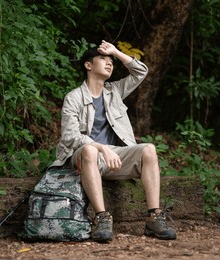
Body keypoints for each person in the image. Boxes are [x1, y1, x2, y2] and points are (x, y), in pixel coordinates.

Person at [51, 40, 176, 242]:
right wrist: (101, 147)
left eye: (111, 61)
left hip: (115, 158)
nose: (109, 63)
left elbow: (141, 72)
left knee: (149, 150)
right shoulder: (73, 97)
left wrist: (116, 52)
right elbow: (70, 136)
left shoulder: (114, 91)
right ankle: (101, 217)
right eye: (103, 58)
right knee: (90, 151)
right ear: (88, 65)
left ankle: (154, 217)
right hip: (86, 157)